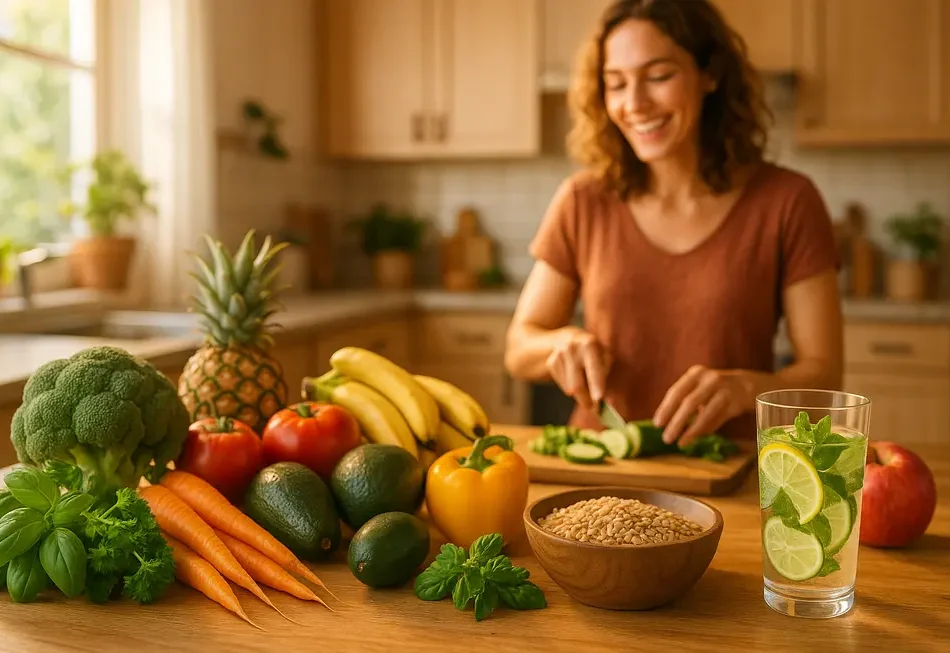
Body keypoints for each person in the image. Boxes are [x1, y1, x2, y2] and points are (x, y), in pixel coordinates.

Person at [504, 0, 843, 447]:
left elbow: (824, 376)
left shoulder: (787, 201)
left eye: (659, 76)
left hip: (728, 467)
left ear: (710, 74)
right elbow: (519, 348)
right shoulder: (583, 200)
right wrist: (560, 345)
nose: (635, 104)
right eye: (616, 83)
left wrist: (746, 388)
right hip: (602, 475)